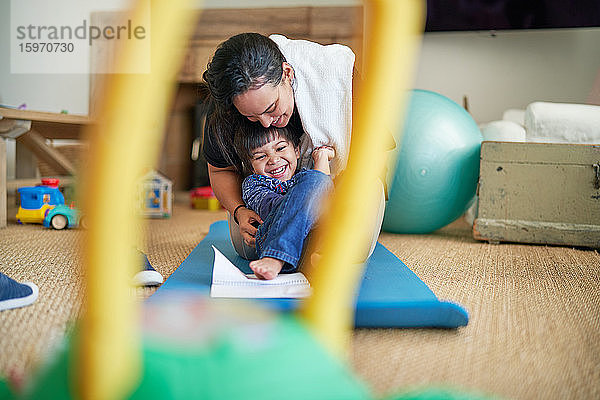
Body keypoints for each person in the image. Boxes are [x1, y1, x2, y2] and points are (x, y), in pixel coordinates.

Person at [200, 32, 388, 260]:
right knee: (249, 250)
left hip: (341, 185)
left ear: (287, 73)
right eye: (251, 117)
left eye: (271, 107)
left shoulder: (338, 77)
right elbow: (220, 170)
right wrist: (239, 210)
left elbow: (375, 155)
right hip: (269, 191)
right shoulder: (225, 109)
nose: (267, 123)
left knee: (351, 249)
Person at [235, 121, 334, 280]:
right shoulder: (253, 183)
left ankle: (321, 255)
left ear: (297, 151)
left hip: (311, 238)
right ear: (252, 167)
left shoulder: (303, 176)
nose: (273, 160)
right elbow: (275, 207)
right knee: (316, 183)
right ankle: (276, 256)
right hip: (273, 236)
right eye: (261, 156)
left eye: (280, 148)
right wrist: (321, 161)